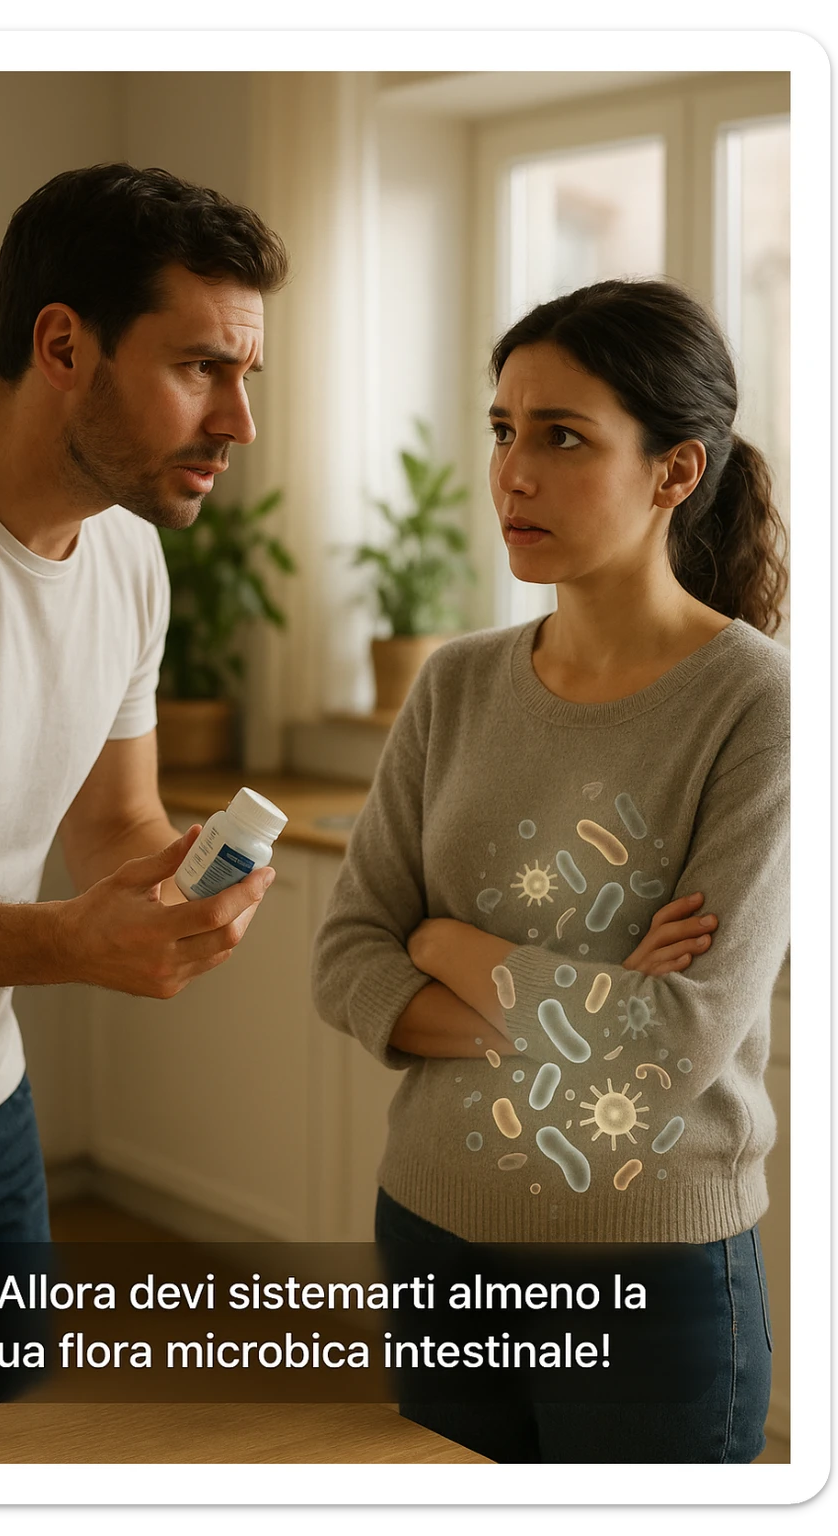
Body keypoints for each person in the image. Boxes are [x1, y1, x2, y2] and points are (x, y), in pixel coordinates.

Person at [311, 278, 789, 1464]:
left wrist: (450, 948)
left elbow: (671, 1043)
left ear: (674, 472)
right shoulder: (456, 682)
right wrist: (576, 1001)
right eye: (503, 429)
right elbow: (345, 957)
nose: (512, 473)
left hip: (648, 1267)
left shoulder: (759, 706)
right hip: (433, 1232)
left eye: (562, 437)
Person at [0, 164, 289, 1431]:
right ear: (62, 343)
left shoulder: (128, 557)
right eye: (202, 367)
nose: (239, 422)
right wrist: (60, 944)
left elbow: (116, 827)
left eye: (246, 374)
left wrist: (201, 882)